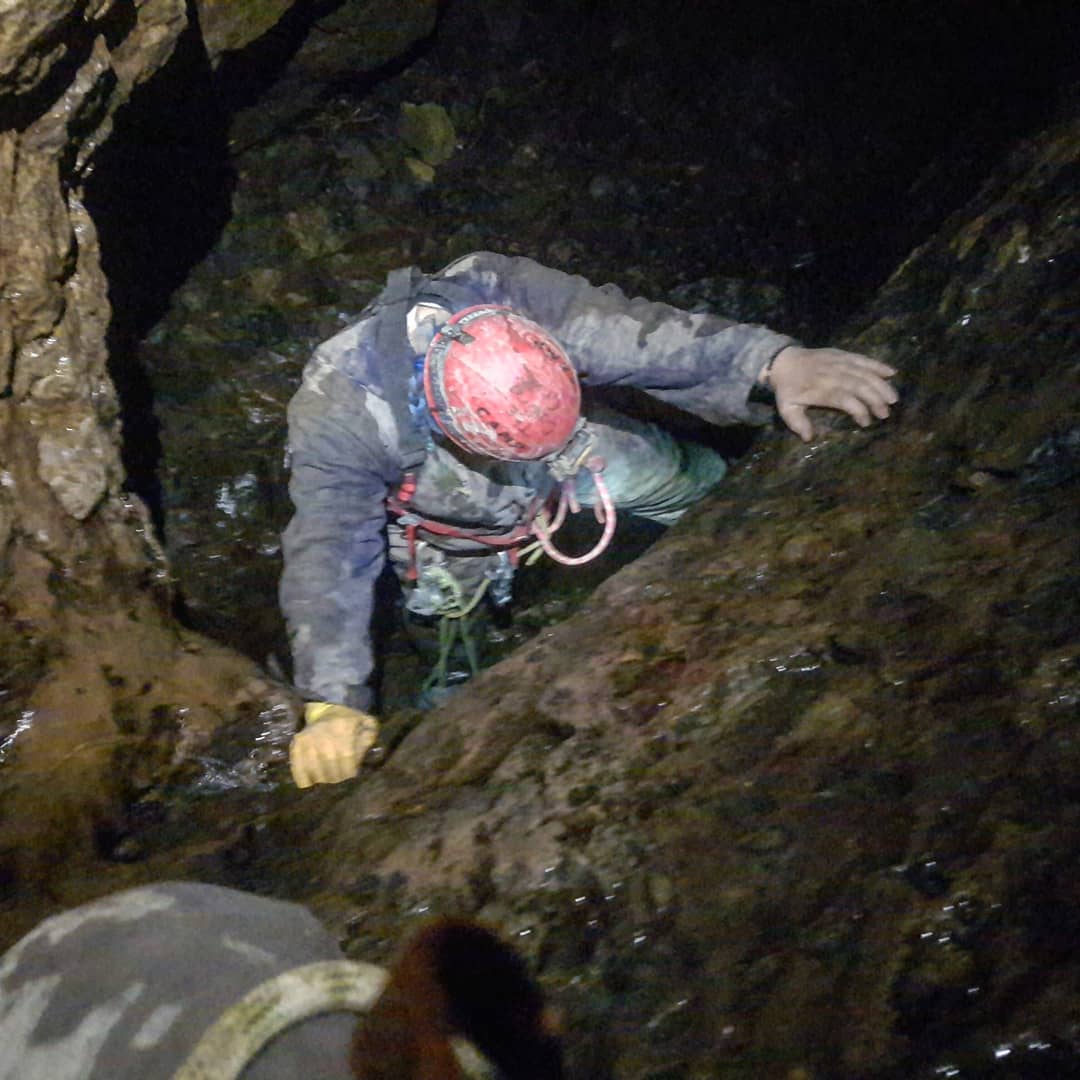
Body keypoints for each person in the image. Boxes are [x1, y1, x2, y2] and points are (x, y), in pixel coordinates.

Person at [281, 251, 897, 788]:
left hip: (568, 445)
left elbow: (639, 336)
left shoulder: (502, 288)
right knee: (452, 630)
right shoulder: (342, 406)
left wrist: (774, 362)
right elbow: (329, 550)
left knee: (683, 478)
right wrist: (332, 701)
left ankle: (729, 510)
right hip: (450, 529)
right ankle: (452, 689)